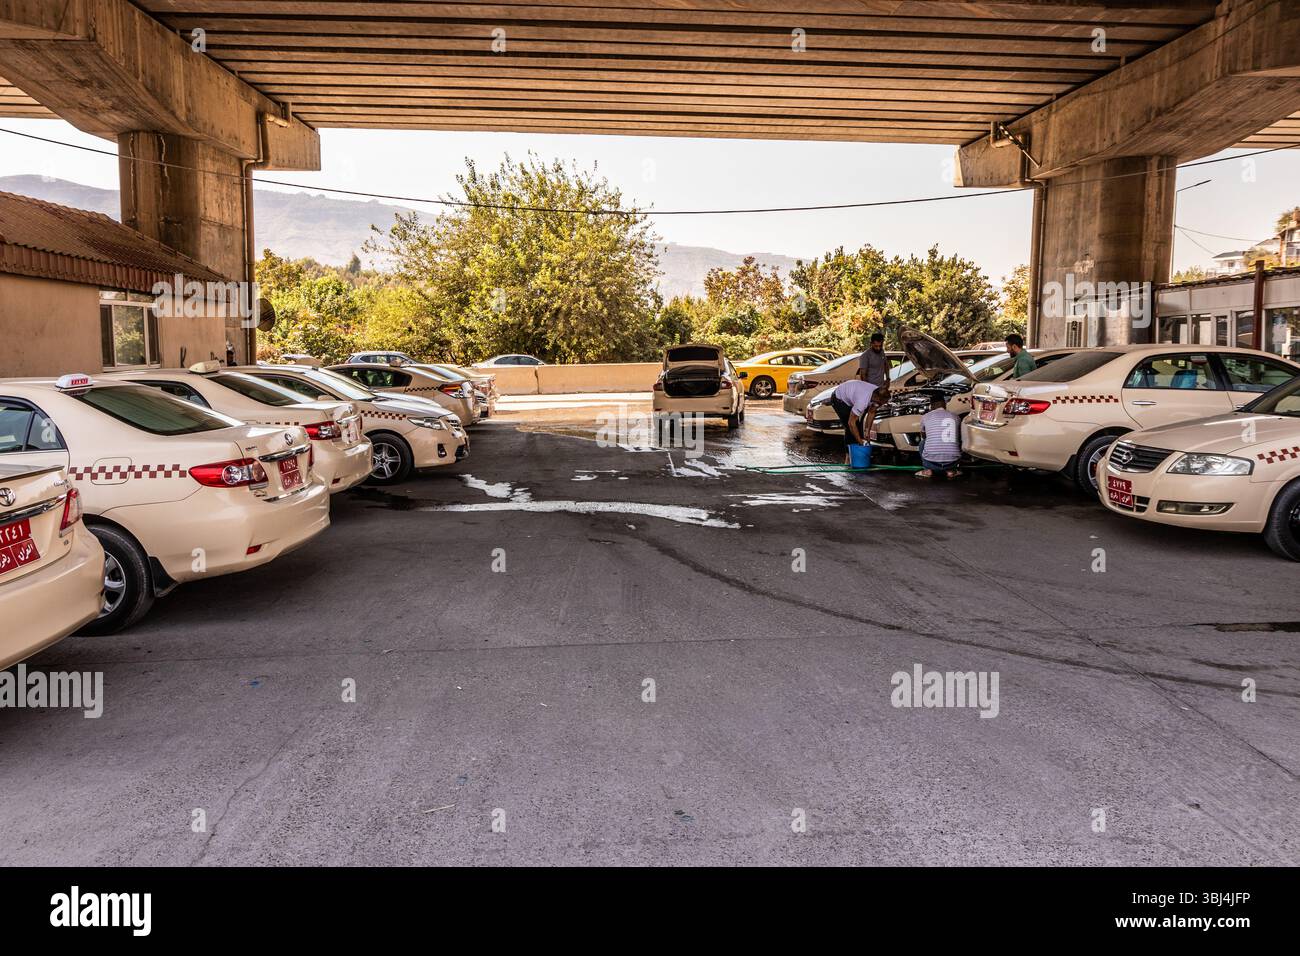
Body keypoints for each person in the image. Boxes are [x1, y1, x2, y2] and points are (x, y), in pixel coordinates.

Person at [830, 379, 887, 461]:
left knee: (858, 428)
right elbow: (851, 423)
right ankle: (848, 458)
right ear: (877, 398)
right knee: (850, 428)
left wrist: (867, 432)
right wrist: (860, 442)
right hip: (839, 399)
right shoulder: (862, 401)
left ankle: (857, 454)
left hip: (851, 395)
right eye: (882, 403)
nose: (882, 405)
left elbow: (871, 412)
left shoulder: (878, 392)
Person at [916, 395, 961, 479]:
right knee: (958, 440)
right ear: (944, 404)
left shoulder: (925, 417)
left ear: (931, 406)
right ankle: (951, 471)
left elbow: (923, 436)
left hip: (931, 463)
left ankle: (927, 470)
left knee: (923, 442)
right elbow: (958, 436)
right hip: (952, 462)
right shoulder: (956, 417)